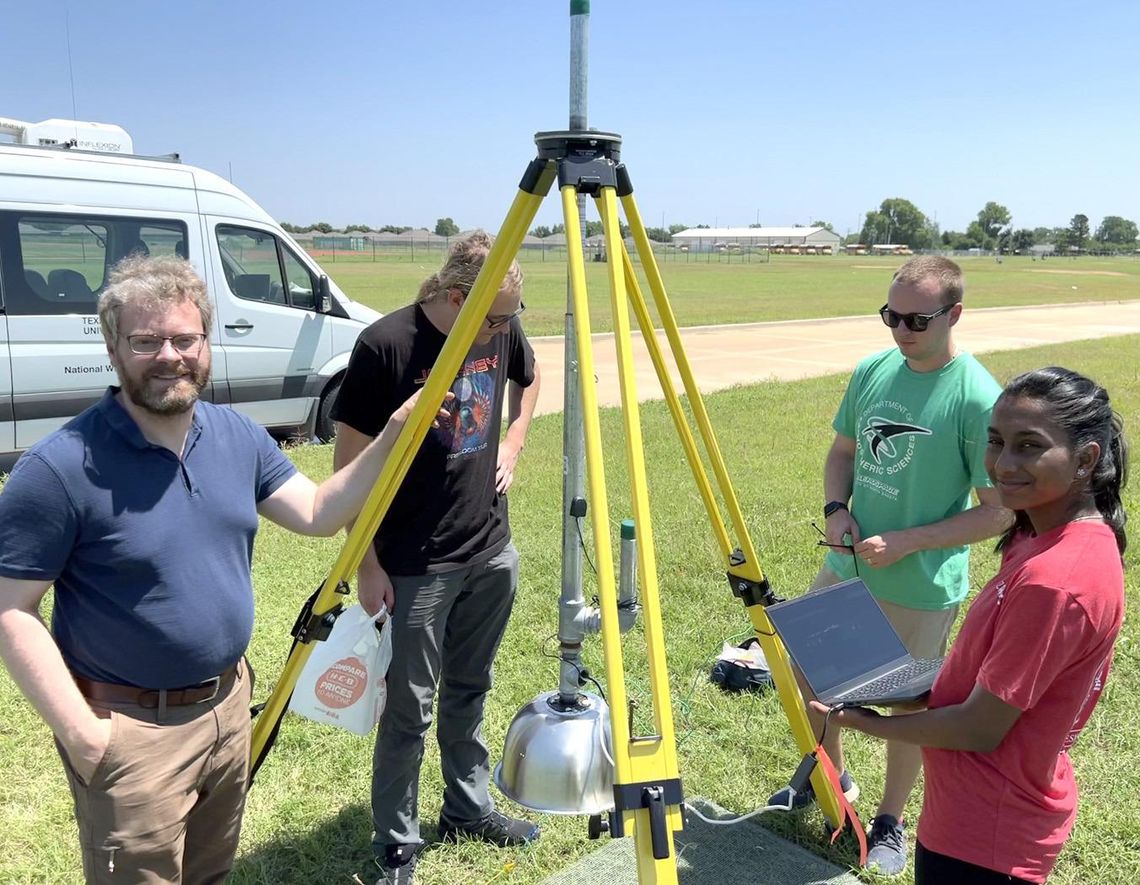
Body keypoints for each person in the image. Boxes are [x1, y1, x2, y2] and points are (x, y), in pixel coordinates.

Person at [0, 255, 434, 885]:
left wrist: (394, 432)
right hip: (131, 733)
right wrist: (84, 734)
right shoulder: (60, 468)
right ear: (113, 348)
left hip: (229, 710)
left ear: (207, 341)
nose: (170, 355)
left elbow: (315, 511)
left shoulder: (236, 434)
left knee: (211, 874)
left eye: (185, 338)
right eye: (146, 341)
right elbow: (12, 608)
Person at [815, 366, 1127, 884]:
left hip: (986, 836)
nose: (1004, 464)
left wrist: (861, 720)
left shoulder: (1057, 579)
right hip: (975, 813)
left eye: (1030, 446)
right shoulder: (1043, 536)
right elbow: (998, 679)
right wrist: (904, 688)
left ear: (1086, 459)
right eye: (996, 441)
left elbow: (980, 728)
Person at [775, 256, 1014, 875]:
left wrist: (910, 541)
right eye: (890, 316)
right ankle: (831, 779)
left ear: (953, 314)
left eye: (915, 318)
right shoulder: (872, 370)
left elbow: (997, 514)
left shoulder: (978, 398)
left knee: (907, 709)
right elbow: (842, 453)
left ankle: (889, 820)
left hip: (919, 584)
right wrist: (835, 510)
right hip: (847, 566)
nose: (900, 330)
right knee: (813, 677)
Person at [332, 231, 541, 885]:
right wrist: (366, 563)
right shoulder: (386, 345)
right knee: (407, 710)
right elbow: (347, 465)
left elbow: (528, 380)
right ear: (457, 296)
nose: (505, 331)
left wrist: (513, 440)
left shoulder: (501, 329)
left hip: (489, 548)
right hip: (415, 563)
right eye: (498, 318)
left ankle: (467, 809)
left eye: (510, 318)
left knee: (470, 690)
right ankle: (396, 842)